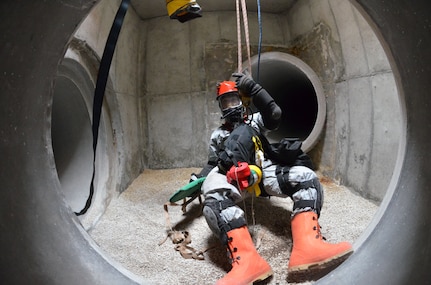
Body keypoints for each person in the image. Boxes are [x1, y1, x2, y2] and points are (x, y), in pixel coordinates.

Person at [194, 73, 353, 284]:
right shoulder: (218, 135)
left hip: (263, 171)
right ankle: (248, 261)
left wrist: (255, 89)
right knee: (212, 198)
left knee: (305, 178)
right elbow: (212, 163)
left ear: (242, 101)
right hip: (233, 176)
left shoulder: (254, 121)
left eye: (234, 99)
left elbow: (274, 113)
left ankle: (308, 246)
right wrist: (198, 178)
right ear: (220, 106)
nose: (230, 106)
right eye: (226, 102)